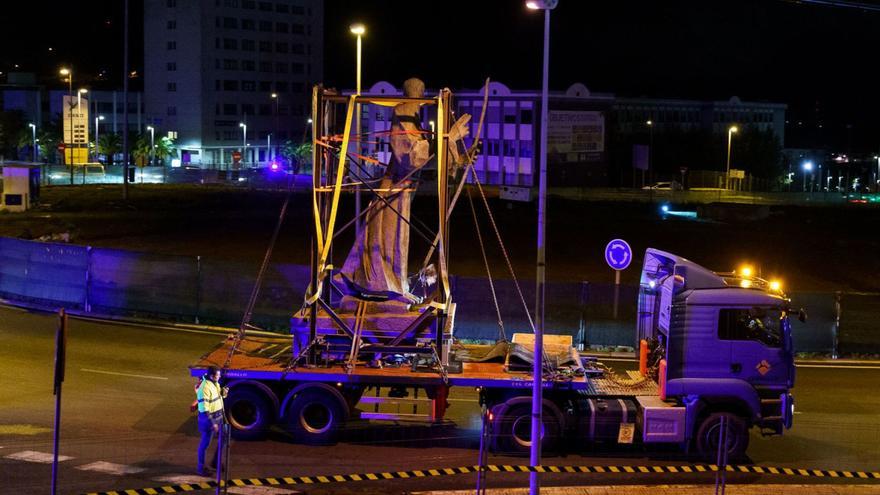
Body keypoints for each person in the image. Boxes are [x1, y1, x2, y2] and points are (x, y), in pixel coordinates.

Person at [195, 366, 228, 476]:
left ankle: (215, 462)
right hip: (208, 420)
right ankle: (201, 468)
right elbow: (204, 409)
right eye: (217, 375)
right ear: (211, 376)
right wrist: (213, 423)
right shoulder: (204, 388)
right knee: (205, 444)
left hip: (218, 417)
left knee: (224, 438)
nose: (219, 377)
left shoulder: (214, 383)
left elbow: (218, 397)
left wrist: (224, 393)